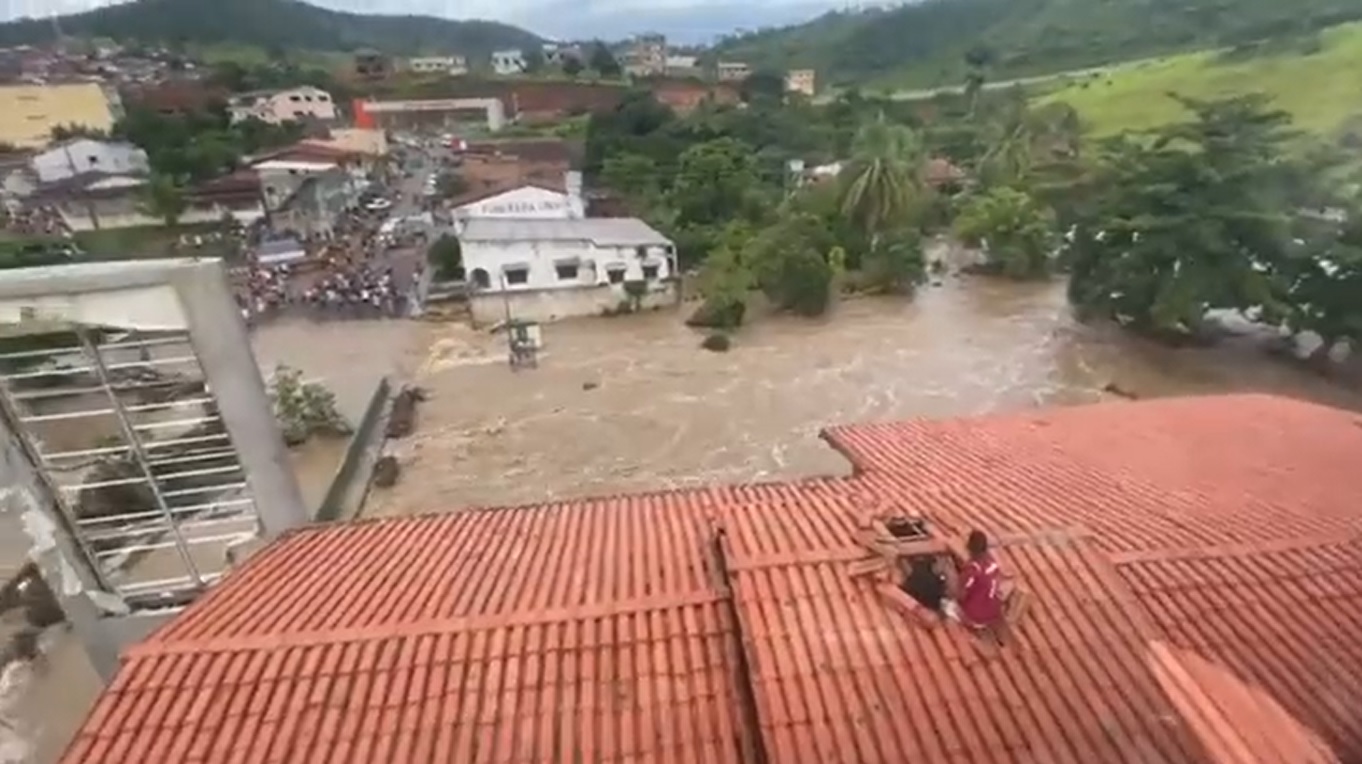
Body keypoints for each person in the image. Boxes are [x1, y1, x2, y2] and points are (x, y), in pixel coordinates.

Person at [940, 530, 1014, 641]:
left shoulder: (972, 570)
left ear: (969, 548)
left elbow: (960, 596)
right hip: (993, 612)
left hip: (975, 617)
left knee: (944, 604)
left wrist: (949, 587)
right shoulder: (993, 564)